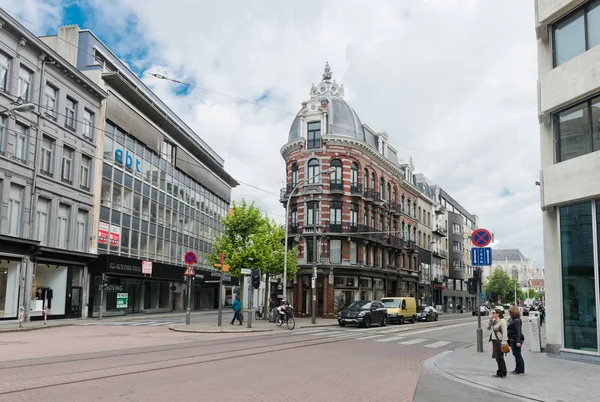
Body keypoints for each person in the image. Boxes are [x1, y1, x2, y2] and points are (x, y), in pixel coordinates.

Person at [488, 308, 508, 378]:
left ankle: (501, 372)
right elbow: (488, 328)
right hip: (495, 341)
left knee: (499, 357)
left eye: (493, 313)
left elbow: (505, 332)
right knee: (498, 357)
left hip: (499, 341)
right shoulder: (495, 321)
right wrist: (490, 320)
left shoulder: (502, 321)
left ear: (498, 314)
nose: (492, 314)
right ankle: (503, 371)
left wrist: (504, 341)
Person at [507, 305, 525, 375]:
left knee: (517, 354)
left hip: (515, 339)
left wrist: (518, 341)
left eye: (510, 312)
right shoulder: (513, 319)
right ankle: (518, 369)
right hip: (512, 339)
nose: (509, 313)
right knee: (516, 354)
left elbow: (518, 331)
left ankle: (520, 369)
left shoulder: (517, 320)